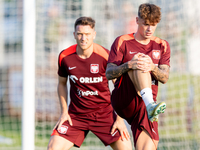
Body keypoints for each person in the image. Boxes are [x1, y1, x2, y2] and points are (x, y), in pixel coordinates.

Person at [47, 17, 132, 150]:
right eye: (80, 34)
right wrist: (64, 112)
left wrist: (120, 119)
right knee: (53, 147)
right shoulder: (65, 57)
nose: (83, 38)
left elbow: (120, 87)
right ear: (74, 35)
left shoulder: (105, 56)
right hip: (76, 116)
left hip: (105, 114)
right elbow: (61, 84)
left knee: (126, 148)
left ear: (94, 35)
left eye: (87, 34)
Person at [106, 3, 170, 150]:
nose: (149, 29)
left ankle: (150, 106)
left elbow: (165, 77)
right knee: (140, 61)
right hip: (124, 98)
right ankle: (150, 106)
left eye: (153, 25)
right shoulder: (122, 41)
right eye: (146, 24)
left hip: (145, 107)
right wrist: (129, 65)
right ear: (137, 20)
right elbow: (109, 73)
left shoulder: (162, 45)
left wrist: (153, 67)